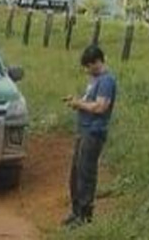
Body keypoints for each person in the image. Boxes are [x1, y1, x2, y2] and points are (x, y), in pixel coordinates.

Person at [63, 44, 117, 227]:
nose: (87, 70)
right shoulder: (94, 80)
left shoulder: (106, 81)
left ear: (96, 62)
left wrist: (79, 104)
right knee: (76, 173)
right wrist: (77, 101)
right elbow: (90, 101)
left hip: (94, 132)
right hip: (84, 130)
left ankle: (85, 215)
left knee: (86, 174)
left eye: (88, 66)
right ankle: (76, 210)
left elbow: (101, 107)